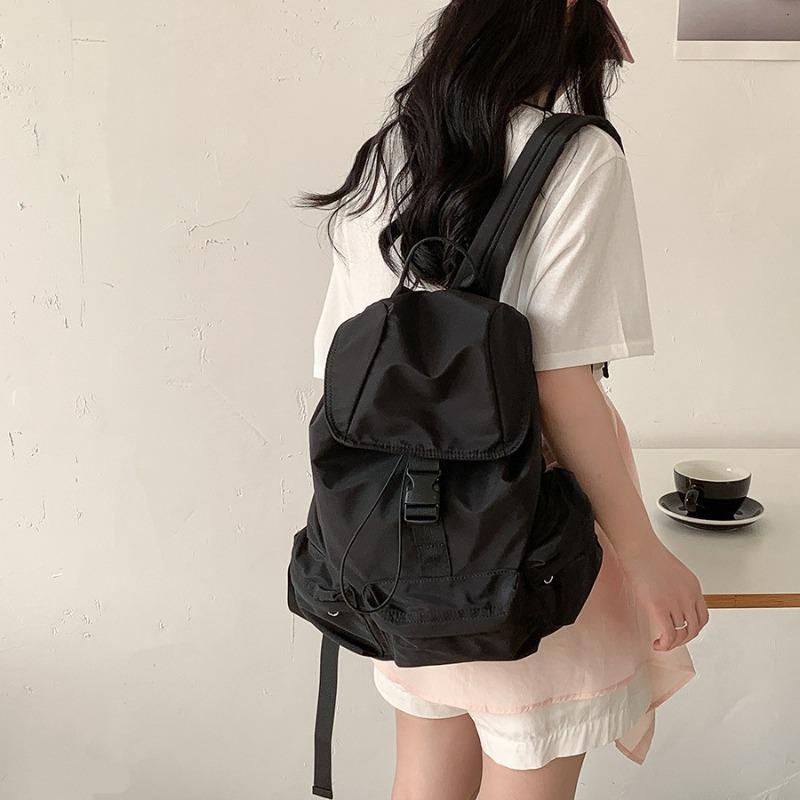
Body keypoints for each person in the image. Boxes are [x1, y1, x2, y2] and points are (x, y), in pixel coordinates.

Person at [301, 2, 709, 798]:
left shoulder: (397, 149)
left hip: (399, 539)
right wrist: (643, 554)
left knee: (423, 783)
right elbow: (557, 384)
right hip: (526, 529)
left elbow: (338, 367)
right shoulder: (576, 155)